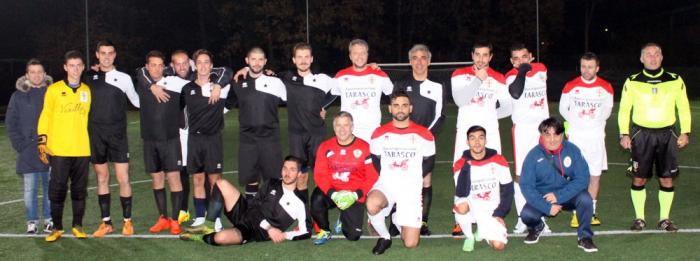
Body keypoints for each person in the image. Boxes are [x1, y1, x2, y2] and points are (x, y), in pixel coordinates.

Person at [140, 49, 230, 225]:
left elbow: (227, 72)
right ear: (172, 66)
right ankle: (188, 212)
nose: (182, 67)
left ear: (191, 64)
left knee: (211, 178)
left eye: (185, 63)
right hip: (186, 135)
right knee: (189, 173)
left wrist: (219, 94)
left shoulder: (213, 81)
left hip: (210, 137)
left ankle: (214, 217)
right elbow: (142, 72)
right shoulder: (177, 83)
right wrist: (152, 86)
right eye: (177, 63)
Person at [618, 43, 691, 232]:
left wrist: (685, 131)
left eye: (656, 54)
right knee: (639, 178)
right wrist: (624, 133)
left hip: (668, 134)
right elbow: (624, 109)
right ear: (641, 58)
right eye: (648, 55)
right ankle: (639, 218)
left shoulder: (675, 80)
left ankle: (664, 219)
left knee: (667, 178)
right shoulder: (632, 81)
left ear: (662, 57)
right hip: (641, 135)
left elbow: (683, 107)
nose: (653, 58)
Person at [450, 40, 511, 236]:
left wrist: (490, 115)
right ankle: (461, 218)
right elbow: (460, 100)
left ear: (491, 57)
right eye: (478, 55)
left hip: (490, 133)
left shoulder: (499, 78)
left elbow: (508, 107)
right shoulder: (459, 74)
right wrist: (478, 79)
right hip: (465, 132)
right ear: (472, 55)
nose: (481, 59)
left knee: (493, 173)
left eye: (485, 55)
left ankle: (493, 214)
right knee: (461, 172)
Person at [179, 156, 310, 245]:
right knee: (220, 183)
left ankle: (200, 238)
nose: (287, 173)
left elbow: (306, 231)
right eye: (285, 168)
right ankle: (208, 225)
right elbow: (253, 206)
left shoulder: (300, 202)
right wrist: (270, 227)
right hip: (245, 212)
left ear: (299, 174)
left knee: (221, 238)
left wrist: (285, 235)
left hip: (252, 231)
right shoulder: (272, 183)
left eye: (292, 170)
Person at [365, 91, 436, 255]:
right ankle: (385, 237)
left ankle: (397, 216)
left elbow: (429, 161)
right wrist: (389, 175)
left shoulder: (424, 134)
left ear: (410, 108)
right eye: (396, 105)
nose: (400, 109)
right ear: (390, 109)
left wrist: (413, 178)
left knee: (410, 243)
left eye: (404, 105)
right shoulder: (379, 133)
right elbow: (375, 158)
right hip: (387, 185)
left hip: (411, 188)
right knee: (372, 203)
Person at [85, 40, 140, 238]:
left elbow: (137, 101)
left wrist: (155, 89)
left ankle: (127, 221)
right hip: (96, 135)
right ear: (97, 55)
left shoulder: (124, 78)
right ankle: (106, 223)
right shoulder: (89, 77)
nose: (107, 56)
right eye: (103, 53)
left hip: (117, 136)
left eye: (110, 53)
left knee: (123, 178)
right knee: (102, 178)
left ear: (115, 55)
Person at [519, 117, 597, 252]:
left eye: (556, 134)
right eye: (547, 134)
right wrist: (546, 206)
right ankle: (537, 226)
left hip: (569, 195)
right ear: (541, 135)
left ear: (562, 135)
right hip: (544, 198)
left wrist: (559, 196)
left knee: (586, 199)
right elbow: (526, 186)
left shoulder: (573, 150)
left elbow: (583, 179)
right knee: (526, 215)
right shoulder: (533, 155)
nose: (552, 139)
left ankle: (584, 237)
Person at [135, 51, 191, 235]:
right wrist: (152, 86)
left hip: (171, 139)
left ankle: (175, 220)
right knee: (157, 179)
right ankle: (162, 218)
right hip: (150, 140)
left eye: (160, 65)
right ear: (147, 66)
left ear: (165, 66)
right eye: (153, 65)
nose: (157, 69)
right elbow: (138, 72)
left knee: (174, 178)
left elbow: (199, 81)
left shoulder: (175, 83)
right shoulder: (143, 82)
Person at [39, 50, 92, 242]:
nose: (75, 69)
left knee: (79, 190)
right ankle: (57, 228)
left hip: (81, 150)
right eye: (72, 65)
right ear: (65, 67)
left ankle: (77, 225)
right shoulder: (53, 90)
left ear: (83, 67)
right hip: (59, 149)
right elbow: (45, 115)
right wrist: (42, 140)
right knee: (58, 190)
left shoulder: (87, 90)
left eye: (79, 65)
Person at [392, 44, 444, 235]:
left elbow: (440, 116)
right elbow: (396, 111)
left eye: (423, 57)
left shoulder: (438, 86)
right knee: (400, 179)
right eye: (415, 57)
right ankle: (398, 219)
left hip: (425, 141)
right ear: (410, 61)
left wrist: (424, 136)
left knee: (425, 180)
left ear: (429, 61)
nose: (419, 61)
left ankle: (422, 222)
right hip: (401, 141)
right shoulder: (400, 84)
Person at [180, 49, 232, 232]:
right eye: (199, 62)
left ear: (211, 65)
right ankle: (200, 216)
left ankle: (215, 218)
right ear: (195, 65)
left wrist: (217, 85)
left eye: (206, 62)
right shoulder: (187, 89)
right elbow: (180, 112)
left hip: (213, 140)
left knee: (215, 180)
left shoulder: (220, 86)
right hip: (194, 140)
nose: (202, 66)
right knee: (198, 180)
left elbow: (229, 71)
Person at [559, 52, 613, 227]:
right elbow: (563, 109)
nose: (586, 70)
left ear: (597, 68)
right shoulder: (570, 86)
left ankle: (591, 212)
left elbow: (606, 111)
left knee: (594, 177)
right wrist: (576, 124)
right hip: (576, 139)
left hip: (596, 138)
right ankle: (576, 213)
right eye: (583, 66)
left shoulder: (606, 87)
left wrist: (593, 123)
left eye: (590, 67)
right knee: (576, 177)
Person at [228, 47, 287, 202]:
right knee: (250, 178)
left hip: (270, 139)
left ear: (265, 62)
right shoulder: (237, 82)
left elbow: (294, 98)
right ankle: (252, 214)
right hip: (248, 140)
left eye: (260, 59)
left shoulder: (275, 82)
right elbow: (225, 105)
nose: (257, 63)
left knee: (273, 179)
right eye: (253, 59)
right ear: (247, 61)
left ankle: (271, 212)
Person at [310, 111, 378, 245]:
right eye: (338, 125)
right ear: (334, 128)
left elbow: (372, 177)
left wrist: (355, 195)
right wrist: (333, 194)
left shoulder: (364, 147)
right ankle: (324, 230)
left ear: (352, 127)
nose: (342, 129)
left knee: (353, 236)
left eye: (346, 125)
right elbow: (319, 175)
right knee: (316, 199)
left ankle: (343, 217)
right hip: (333, 190)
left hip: (353, 194)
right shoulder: (325, 146)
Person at [505, 43, 550, 233]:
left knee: (542, 174)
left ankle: (539, 216)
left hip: (543, 130)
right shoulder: (510, 77)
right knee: (521, 175)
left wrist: (526, 67)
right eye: (515, 58)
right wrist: (521, 70)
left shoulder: (541, 69)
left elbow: (536, 72)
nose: (520, 61)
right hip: (523, 130)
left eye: (524, 57)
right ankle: (522, 217)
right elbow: (516, 92)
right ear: (511, 61)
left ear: (531, 56)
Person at [6, 59, 53, 234]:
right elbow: (11, 123)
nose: (36, 75)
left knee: (50, 188)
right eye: (32, 72)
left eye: (39, 71)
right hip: (28, 151)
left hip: (49, 149)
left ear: (44, 74)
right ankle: (31, 221)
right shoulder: (17, 96)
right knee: (30, 189)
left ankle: (49, 220)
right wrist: (21, 145)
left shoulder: (52, 93)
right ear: (27, 75)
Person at [453, 125, 513, 252]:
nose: (477, 142)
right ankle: (469, 236)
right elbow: (461, 192)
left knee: (498, 246)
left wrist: (500, 213)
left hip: (492, 209)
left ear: (486, 140)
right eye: (472, 138)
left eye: (481, 138)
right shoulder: (460, 163)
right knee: (461, 207)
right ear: (467, 142)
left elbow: (508, 189)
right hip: (470, 205)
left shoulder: (499, 160)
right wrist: (466, 167)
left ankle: (482, 229)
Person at [332, 39, 393, 142]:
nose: (359, 56)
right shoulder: (340, 76)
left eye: (362, 53)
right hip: (348, 131)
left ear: (367, 55)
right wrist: (322, 107)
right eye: (355, 53)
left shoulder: (379, 75)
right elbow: (330, 95)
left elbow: (395, 95)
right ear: (350, 56)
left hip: (372, 131)